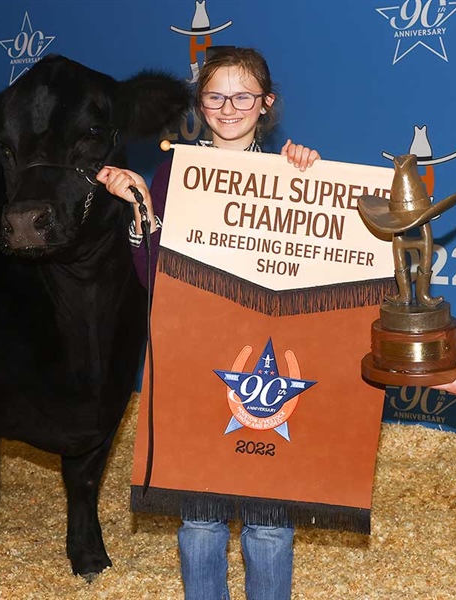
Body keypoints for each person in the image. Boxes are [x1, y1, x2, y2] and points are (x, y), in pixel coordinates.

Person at [97, 47, 321, 600]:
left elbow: (320, 260)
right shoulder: (176, 172)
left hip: (271, 362)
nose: (229, 108)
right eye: (216, 96)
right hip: (197, 358)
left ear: (265, 104)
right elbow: (156, 276)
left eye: (243, 96)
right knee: (200, 519)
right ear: (201, 102)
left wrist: (313, 175)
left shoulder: (293, 171)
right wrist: (140, 205)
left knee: (269, 522)